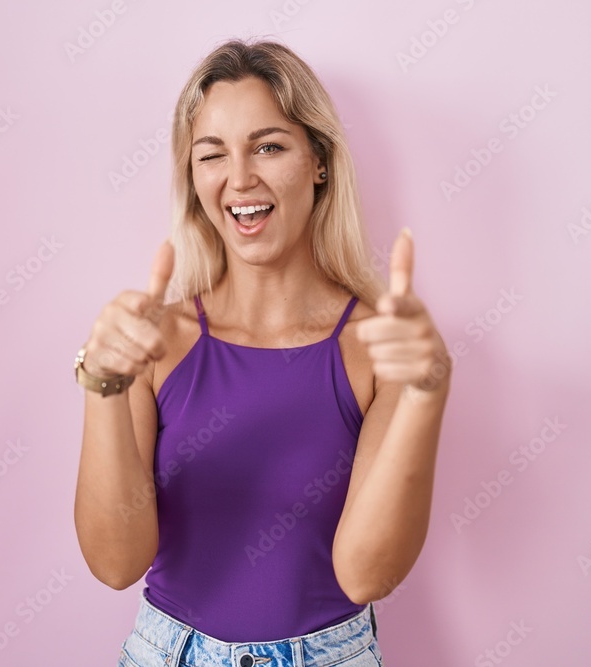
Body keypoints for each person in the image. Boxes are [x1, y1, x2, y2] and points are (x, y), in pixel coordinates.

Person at [74, 37, 451, 667]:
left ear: (319, 161)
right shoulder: (153, 342)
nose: (240, 179)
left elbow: (365, 575)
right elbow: (115, 564)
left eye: (268, 146)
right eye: (212, 155)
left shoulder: (378, 349)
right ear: (192, 179)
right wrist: (103, 384)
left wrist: (426, 390)